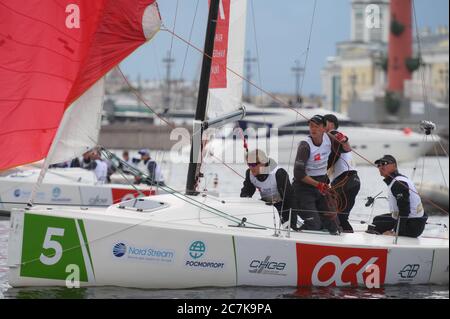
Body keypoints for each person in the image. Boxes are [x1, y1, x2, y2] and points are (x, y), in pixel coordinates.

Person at [292, 115, 346, 235]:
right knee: (314, 225)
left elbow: (346, 149)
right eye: (311, 126)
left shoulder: (329, 138)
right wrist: (318, 185)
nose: (313, 129)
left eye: (317, 126)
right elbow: (298, 173)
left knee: (335, 226)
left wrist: (344, 139)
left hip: (321, 185)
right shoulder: (305, 146)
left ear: (323, 128)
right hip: (304, 188)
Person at [367, 155, 428, 238]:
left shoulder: (398, 184)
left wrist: (396, 231)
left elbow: (404, 210)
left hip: (413, 225)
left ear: (394, 166)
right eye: (379, 165)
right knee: (377, 219)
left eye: (384, 163)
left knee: (375, 226)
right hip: (414, 220)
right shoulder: (399, 179)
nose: (381, 167)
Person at [240, 149, 299, 230]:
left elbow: (291, 200)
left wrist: (292, 225)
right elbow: (245, 194)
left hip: (283, 208)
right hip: (266, 207)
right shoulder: (250, 173)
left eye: (253, 164)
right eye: (248, 164)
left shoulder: (278, 173)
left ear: (263, 162)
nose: (251, 167)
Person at [324, 114, 361, 233]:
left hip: (345, 180)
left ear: (330, 124)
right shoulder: (332, 139)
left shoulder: (333, 134)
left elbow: (345, 144)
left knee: (329, 210)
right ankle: (346, 237)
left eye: (323, 124)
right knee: (342, 217)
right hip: (354, 181)